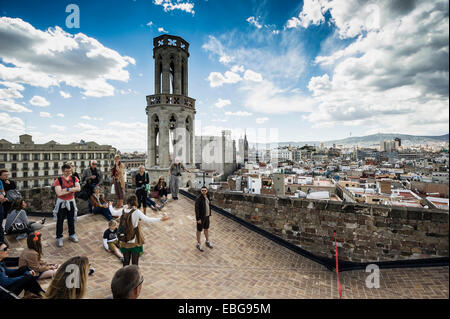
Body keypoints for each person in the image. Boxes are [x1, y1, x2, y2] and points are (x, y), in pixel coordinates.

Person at [109, 195, 170, 266]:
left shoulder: (123, 211)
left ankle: (125, 276)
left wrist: (110, 205)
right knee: (135, 263)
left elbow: (113, 212)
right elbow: (148, 219)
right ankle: (135, 276)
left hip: (124, 239)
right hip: (134, 240)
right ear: (135, 203)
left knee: (126, 262)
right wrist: (160, 219)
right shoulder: (137, 212)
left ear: (128, 202)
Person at [53, 163, 81, 247]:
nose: (68, 172)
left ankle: (72, 234)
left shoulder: (74, 178)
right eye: (66, 171)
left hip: (71, 201)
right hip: (62, 203)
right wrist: (73, 190)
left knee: (71, 219)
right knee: (60, 220)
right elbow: (59, 193)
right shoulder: (58, 180)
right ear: (62, 171)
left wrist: (67, 189)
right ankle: (59, 237)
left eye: (69, 171)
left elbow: (79, 188)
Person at [194, 186, 213, 252]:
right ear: (201, 191)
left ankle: (207, 241)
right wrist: (198, 218)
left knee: (206, 229)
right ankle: (198, 243)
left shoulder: (208, 196)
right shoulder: (199, 198)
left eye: (205, 190)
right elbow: (196, 209)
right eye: (202, 190)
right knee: (199, 230)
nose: (204, 191)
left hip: (207, 216)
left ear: (207, 191)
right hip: (201, 218)